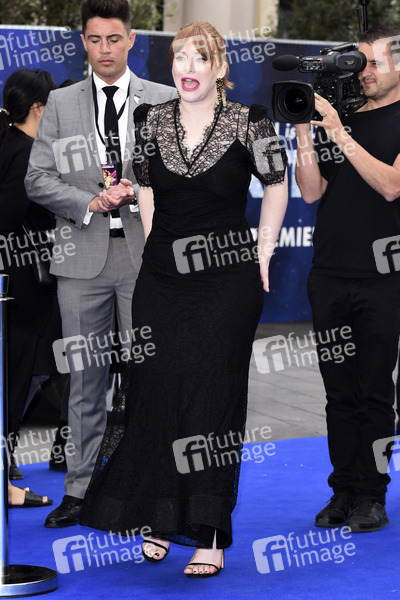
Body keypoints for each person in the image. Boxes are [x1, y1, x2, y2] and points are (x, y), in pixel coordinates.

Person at [80, 21, 288, 577]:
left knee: (211, 401)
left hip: (226, 282)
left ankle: (208, 535)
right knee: (155, 393)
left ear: (219, 68)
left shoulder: (250, 121)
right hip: (163, 281)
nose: (187, 68)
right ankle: (156, 516)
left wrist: (264, 252)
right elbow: (147, 191)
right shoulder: (149, 120)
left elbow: (276, 183)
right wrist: (155, 257)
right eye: (179, 58)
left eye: (200, 58)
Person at [25, 0, 176, 528]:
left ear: (132, 40)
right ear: (83, 43)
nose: (105, 50)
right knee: (84, 382)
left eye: (114, 39)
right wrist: (89, 202)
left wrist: (140, 191)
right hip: (80, 257)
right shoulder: (61, 102)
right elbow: (37, 178)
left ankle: (149, 489)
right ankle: (80, 490)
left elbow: (181, 173)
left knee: (151, 378)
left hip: (145, 260)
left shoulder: (164, 98)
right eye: (95, 40)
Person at [294, 24, 400, 532]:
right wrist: (303, 131)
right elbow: (311, 191)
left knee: (374, 392)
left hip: (383, 278)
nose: (366, 72)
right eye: (361, 62)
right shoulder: (345, 117)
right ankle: (343, 489)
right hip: (330, 273)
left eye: (376, 62)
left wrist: (338, 131)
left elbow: (391, 186)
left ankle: (372, 494)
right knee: (338, 393)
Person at [0, 67, 59, 507]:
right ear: (38, 108)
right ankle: (4, 484)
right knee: (12, 388)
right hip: (20, 293)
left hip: (16, 292)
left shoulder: (8, 145)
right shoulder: (25, 154)